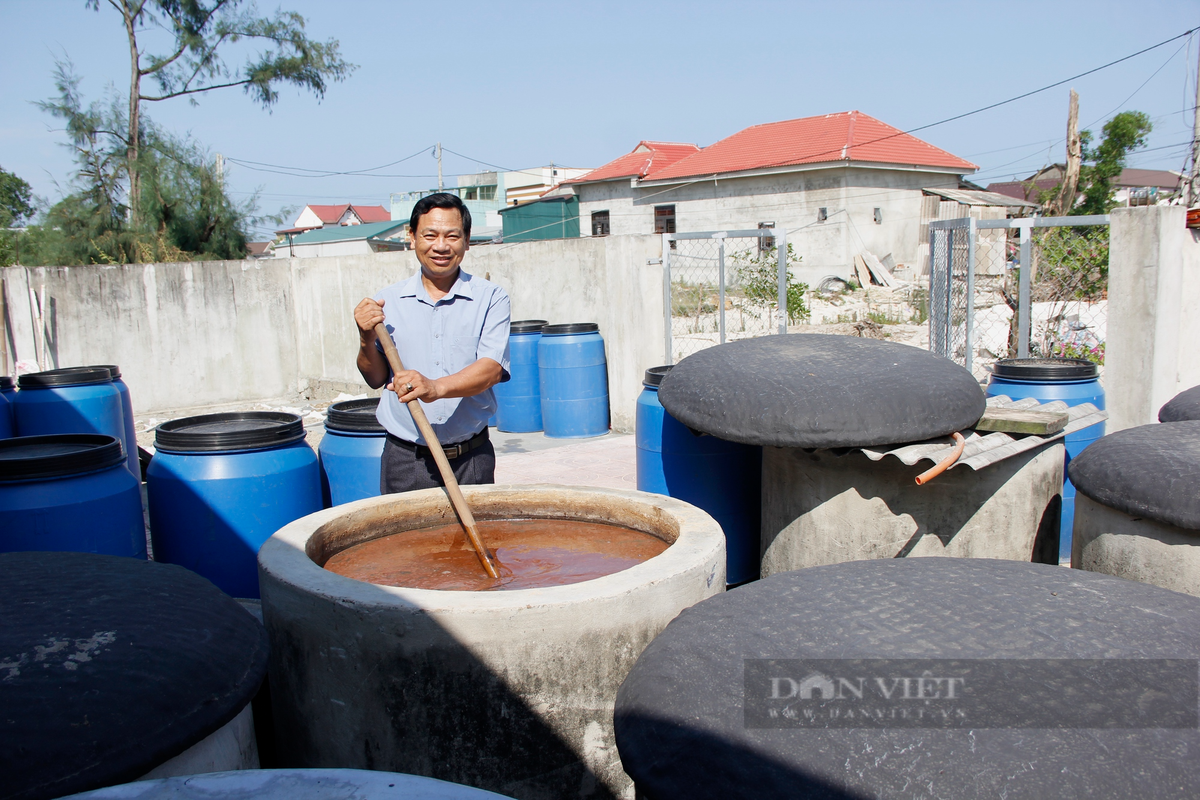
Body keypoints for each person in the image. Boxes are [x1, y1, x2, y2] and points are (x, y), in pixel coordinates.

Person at [354, 193, 510, 494]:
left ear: (466, 240)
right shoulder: (389, 300)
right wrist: (365, 337)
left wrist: (434, 388)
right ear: (412, 237)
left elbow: (490, 370)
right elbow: (374, 378)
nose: (441, 246)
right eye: (430, 235)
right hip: (406, 459)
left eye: (452, 236)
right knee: (408, 542)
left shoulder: (491, 297)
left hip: (472, 458)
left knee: (472, 541)